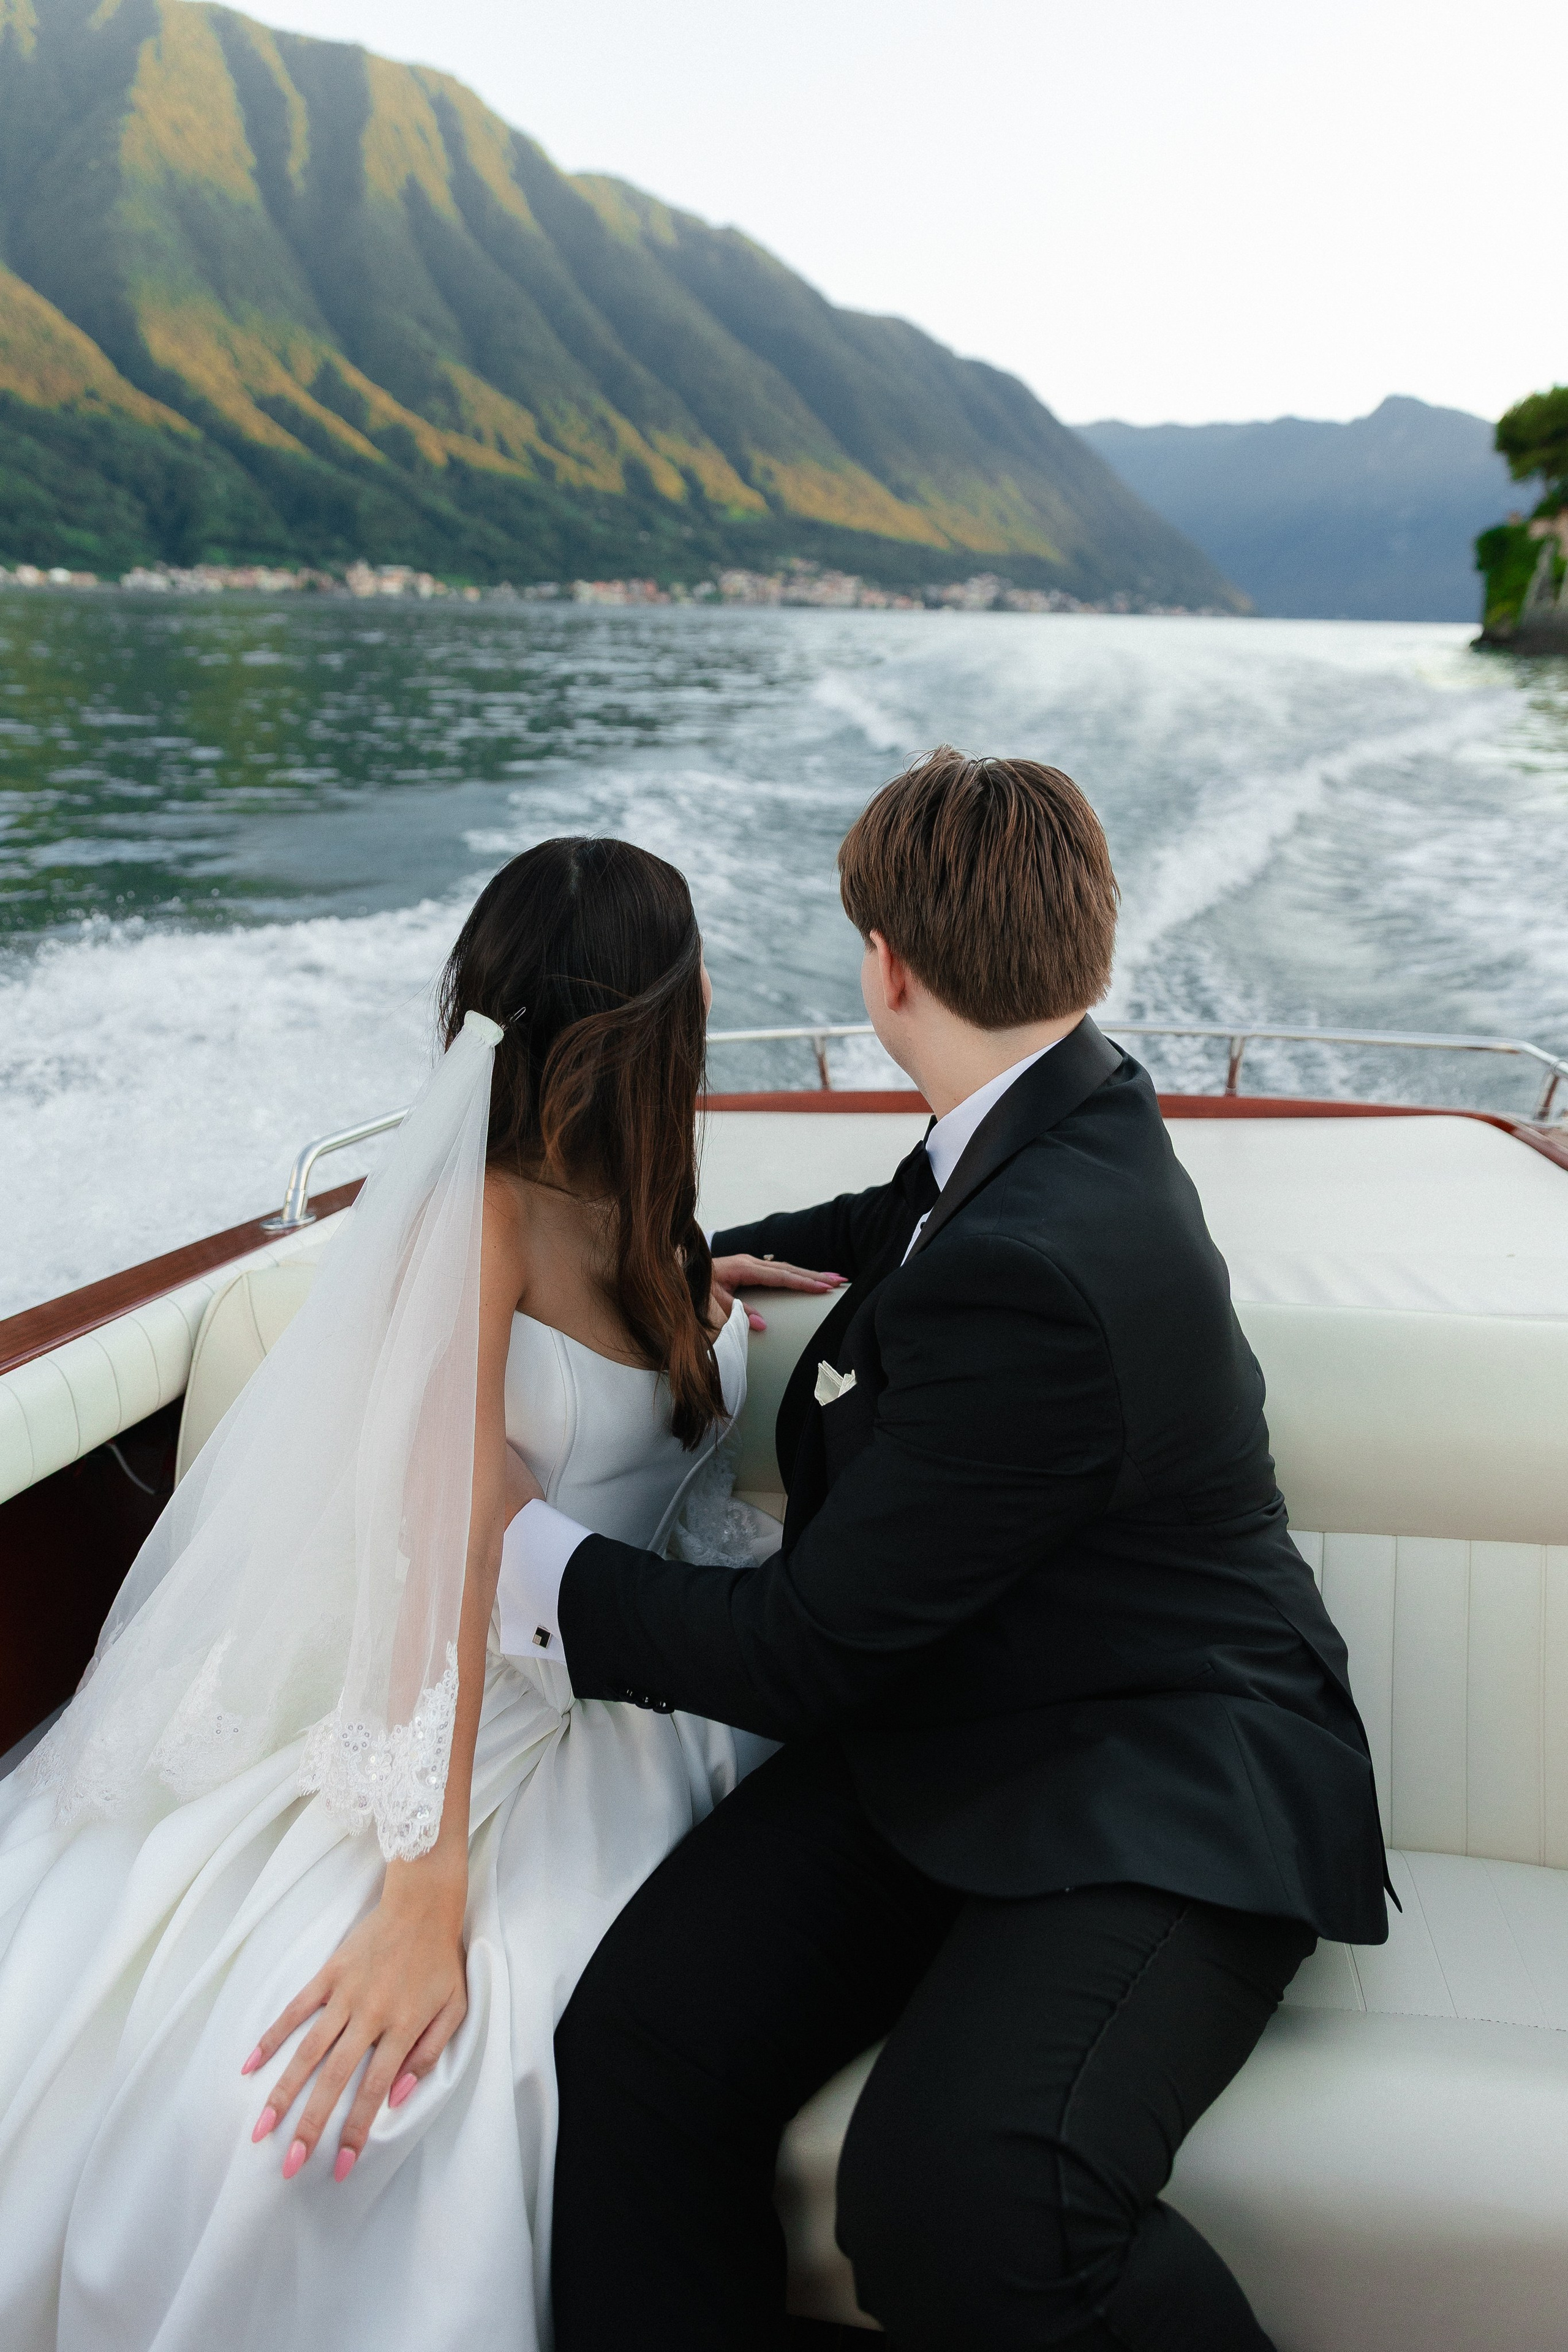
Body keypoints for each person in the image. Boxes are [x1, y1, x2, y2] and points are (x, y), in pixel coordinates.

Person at [500, 749, 1392, 2352]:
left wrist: (529, 1561)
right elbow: (911, 1212)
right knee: (638, 2046)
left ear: (886, 968)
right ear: (1081, 944)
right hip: (963, 1726)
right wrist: (729, 1254)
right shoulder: (1067, 1104)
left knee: (965, 2198)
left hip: (1160, 1769)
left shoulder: (1039, 1264)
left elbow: (802, 1649)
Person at [0, 836, 821, 2352]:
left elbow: (641, 1419)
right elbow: (447, 1547)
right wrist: (421, 1893)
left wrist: (717, 1293)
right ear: (666, 1015)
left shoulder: (653, 1212)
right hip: (492, 1704)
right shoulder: (481, 1227)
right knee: (415, 2089)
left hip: (646, 1676)